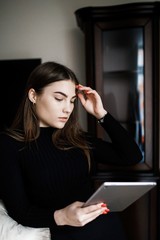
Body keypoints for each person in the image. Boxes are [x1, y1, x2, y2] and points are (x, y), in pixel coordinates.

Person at [0, 61, 142, 240]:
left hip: (107, 226)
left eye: (72, 100)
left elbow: (132, 156)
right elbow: (20, 212)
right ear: (33, 95)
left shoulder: (78, 138)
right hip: (67, 232)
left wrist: (101, 114)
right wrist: (63, 216)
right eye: (59, 98)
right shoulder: (9, 144)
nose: (68, 108)